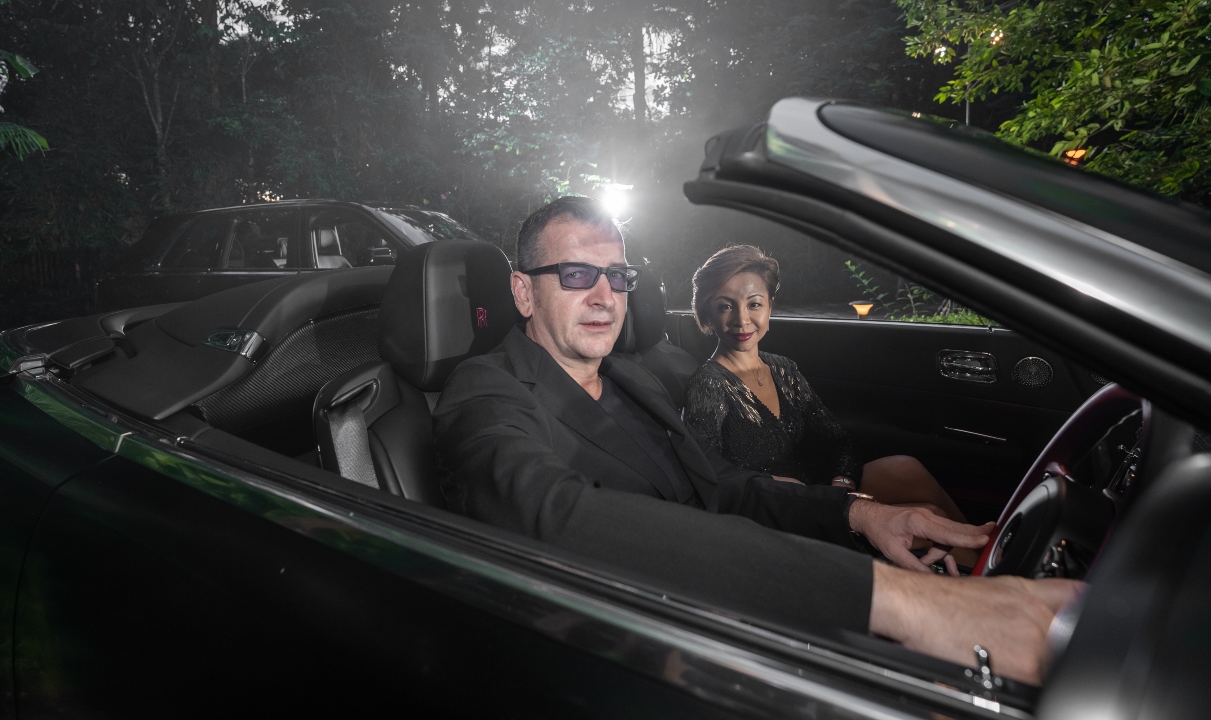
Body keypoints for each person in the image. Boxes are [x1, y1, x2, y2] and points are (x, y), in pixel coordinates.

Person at [434, 196, 1080, 684]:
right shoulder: (485, 389)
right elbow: (554, 518)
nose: (606, 296)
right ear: (524, 292)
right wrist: (899, 602)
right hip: (645, 638)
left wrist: (859, 514)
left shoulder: (631, 378)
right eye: (577, 274)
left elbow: (720, 484)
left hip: (735, 592)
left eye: (619, 276)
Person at [684, 244, 978, 568]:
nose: (742, 319)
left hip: (820, 487)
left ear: (769, 307)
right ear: (707, 314)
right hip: (777, 508)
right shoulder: (708, 385)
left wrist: (841, 485)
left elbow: (838, 439)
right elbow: (708, 478)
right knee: (930, 517)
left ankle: (988, 551)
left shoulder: (783, 368)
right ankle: (991, 580)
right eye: (726, 306)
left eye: (754, 304)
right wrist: (779, 488)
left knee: (908, 468)